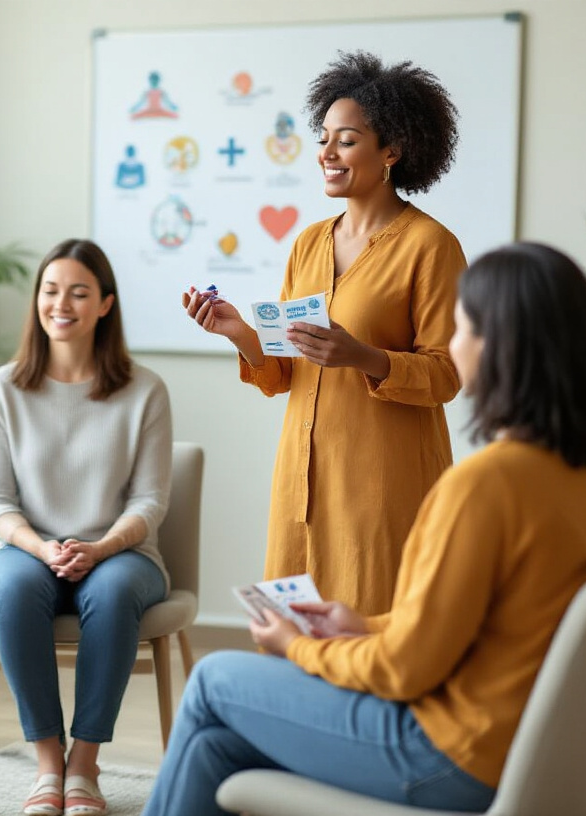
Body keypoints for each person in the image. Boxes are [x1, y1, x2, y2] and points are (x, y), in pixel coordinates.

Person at [145, 242, 586, 816]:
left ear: (502, 349)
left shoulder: (485, 486)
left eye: (462, 329)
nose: (454, 346)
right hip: (537, 748)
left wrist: (300, 646)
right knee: (214, 747)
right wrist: (361, 625)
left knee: (213, 679)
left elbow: (406, 670)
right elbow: (484, 626)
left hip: (449, 755)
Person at [183, 51, 466, 615]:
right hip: (301, 482)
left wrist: (362, 355)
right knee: (293, 640)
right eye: (324, 139)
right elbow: (284, 370)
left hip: (382, 487)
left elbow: (449, 373)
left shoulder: (430, 246)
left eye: (346, 140)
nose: (326, 154)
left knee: (370, 634)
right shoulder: (309, 242)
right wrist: (242, 334)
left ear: (393, 150)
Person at [0, 238, 172, 816]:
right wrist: (41, 546)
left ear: (105, 304)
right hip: (22, 549)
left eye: (79, 292)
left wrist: (101, 546)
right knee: (13, 586)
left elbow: (150, 500)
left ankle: (84, 767)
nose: (62, 304)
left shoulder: (144, 389)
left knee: (110, 592)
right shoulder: (2, 388)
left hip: (121, 553)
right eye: (51, 290)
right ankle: (46, 765)